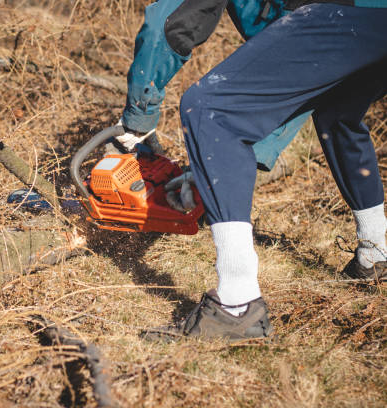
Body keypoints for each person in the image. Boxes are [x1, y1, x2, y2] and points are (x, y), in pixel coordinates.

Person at [113, 0, 387, 341]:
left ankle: (236, 304)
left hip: (342, 12)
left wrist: (139, 114)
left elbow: (170, 21)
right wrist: (214, 170)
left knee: (207, 109)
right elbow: (290, 93)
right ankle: (377, 252)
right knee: (338, 114)